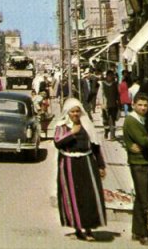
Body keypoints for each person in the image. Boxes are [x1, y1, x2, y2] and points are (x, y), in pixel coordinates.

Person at [54, 97, 107, 241]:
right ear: (68, 113)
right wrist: (72, 133)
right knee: (73, 195)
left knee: (89, 195)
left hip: (87, 162)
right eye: (73, 112)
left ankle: (89, 229)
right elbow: (58, 142)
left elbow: (95, 146)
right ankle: (77, 228)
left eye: (78, 111)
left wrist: (101, 165)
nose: (76, 114)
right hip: (69, 164)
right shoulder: (62, 126)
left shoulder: (87, 125)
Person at [123, 92, 148, 246]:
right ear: (133, 105)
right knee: (143, 198)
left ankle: (136, 230)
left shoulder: (144, 120)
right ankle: (144, 234)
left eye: (145, 105)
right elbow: (143, 140)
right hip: (138, 163)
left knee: (142, 197)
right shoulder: (131, 121)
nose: (143, 108)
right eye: (140, 105)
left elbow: (146, 142)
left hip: (145, 160)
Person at [100, 70, 120, 140]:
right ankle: (106, 132)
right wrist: (102, 104)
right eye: (109, 76)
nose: (110, 77)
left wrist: (119, 104)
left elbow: (117, 95)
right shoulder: (102, 84)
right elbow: (100, 95)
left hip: (114, 105)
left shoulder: (115, 84)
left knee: (113, 120)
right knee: (106, 121)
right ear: (107, 76)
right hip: (106, 106)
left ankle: (112, 135)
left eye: (112, 76)